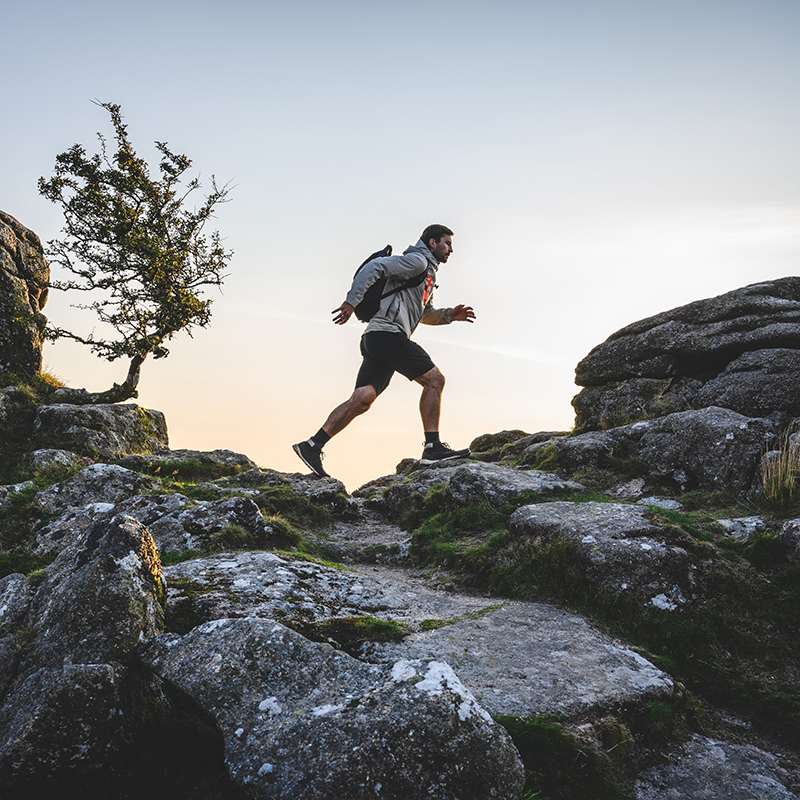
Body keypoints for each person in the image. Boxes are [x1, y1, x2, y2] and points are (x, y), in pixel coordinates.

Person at [293, 224, 476, 478]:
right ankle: (433, 447)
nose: (451, 250)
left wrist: (449, 315)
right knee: (435, 380)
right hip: (388, 334)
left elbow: (424, 314)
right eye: (447, 243)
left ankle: (312, 446)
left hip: (377, 338)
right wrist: (351, 302)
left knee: (363, 398)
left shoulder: (428, 274)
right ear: (432, 243)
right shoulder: (418, 261)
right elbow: (375, 267)